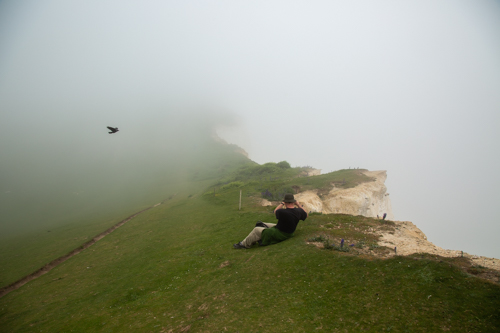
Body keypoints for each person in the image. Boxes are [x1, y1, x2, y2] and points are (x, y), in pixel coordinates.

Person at [233, 193, 308, 249]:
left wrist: (282, 203)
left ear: (285, 202)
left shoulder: (282, 212)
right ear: (293, 202)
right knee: (262, 224)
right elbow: (306, 214)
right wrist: (298, 205)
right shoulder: (298, 211)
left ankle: (244, 244)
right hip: (289, 231)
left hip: (281, 233)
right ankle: (257, 239)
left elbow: (275, 211)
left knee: (256, 230)